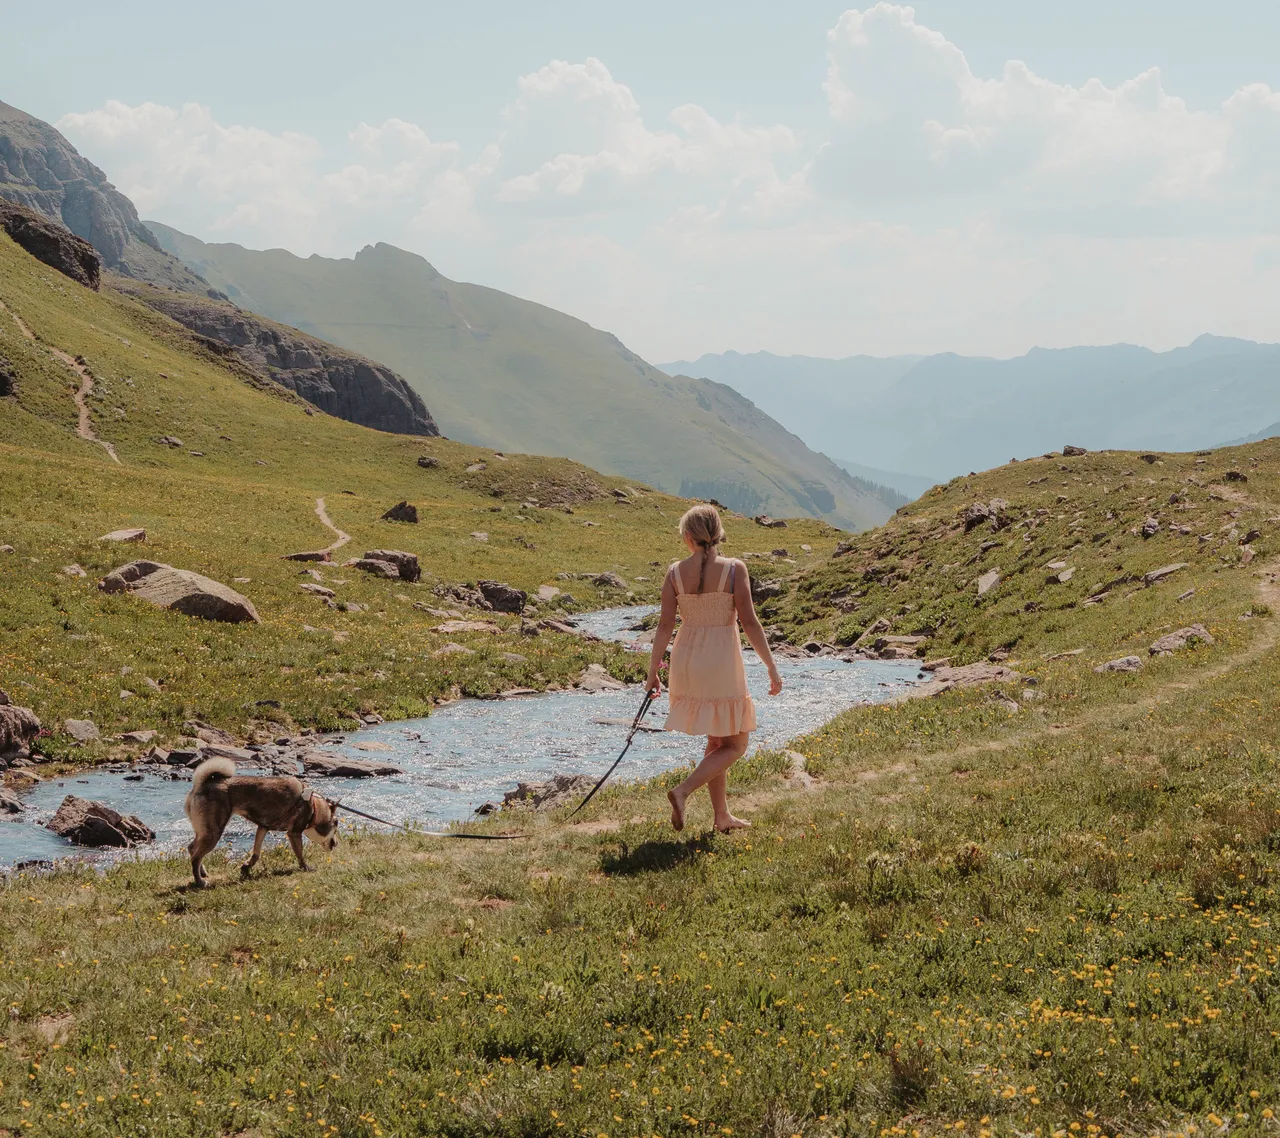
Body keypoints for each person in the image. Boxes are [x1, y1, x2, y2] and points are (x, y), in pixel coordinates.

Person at [645, 504, 783, 832]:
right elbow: (749, 621)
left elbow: (664, 627)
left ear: (688, 538)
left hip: (687, 660)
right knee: (736, 745)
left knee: (717, 742)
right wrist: (771, 666)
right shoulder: (735, 569)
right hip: (721, 660)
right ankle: (682, 791)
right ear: (718, 534)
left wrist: (653, 673)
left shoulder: (675, 572)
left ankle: (722, 816)